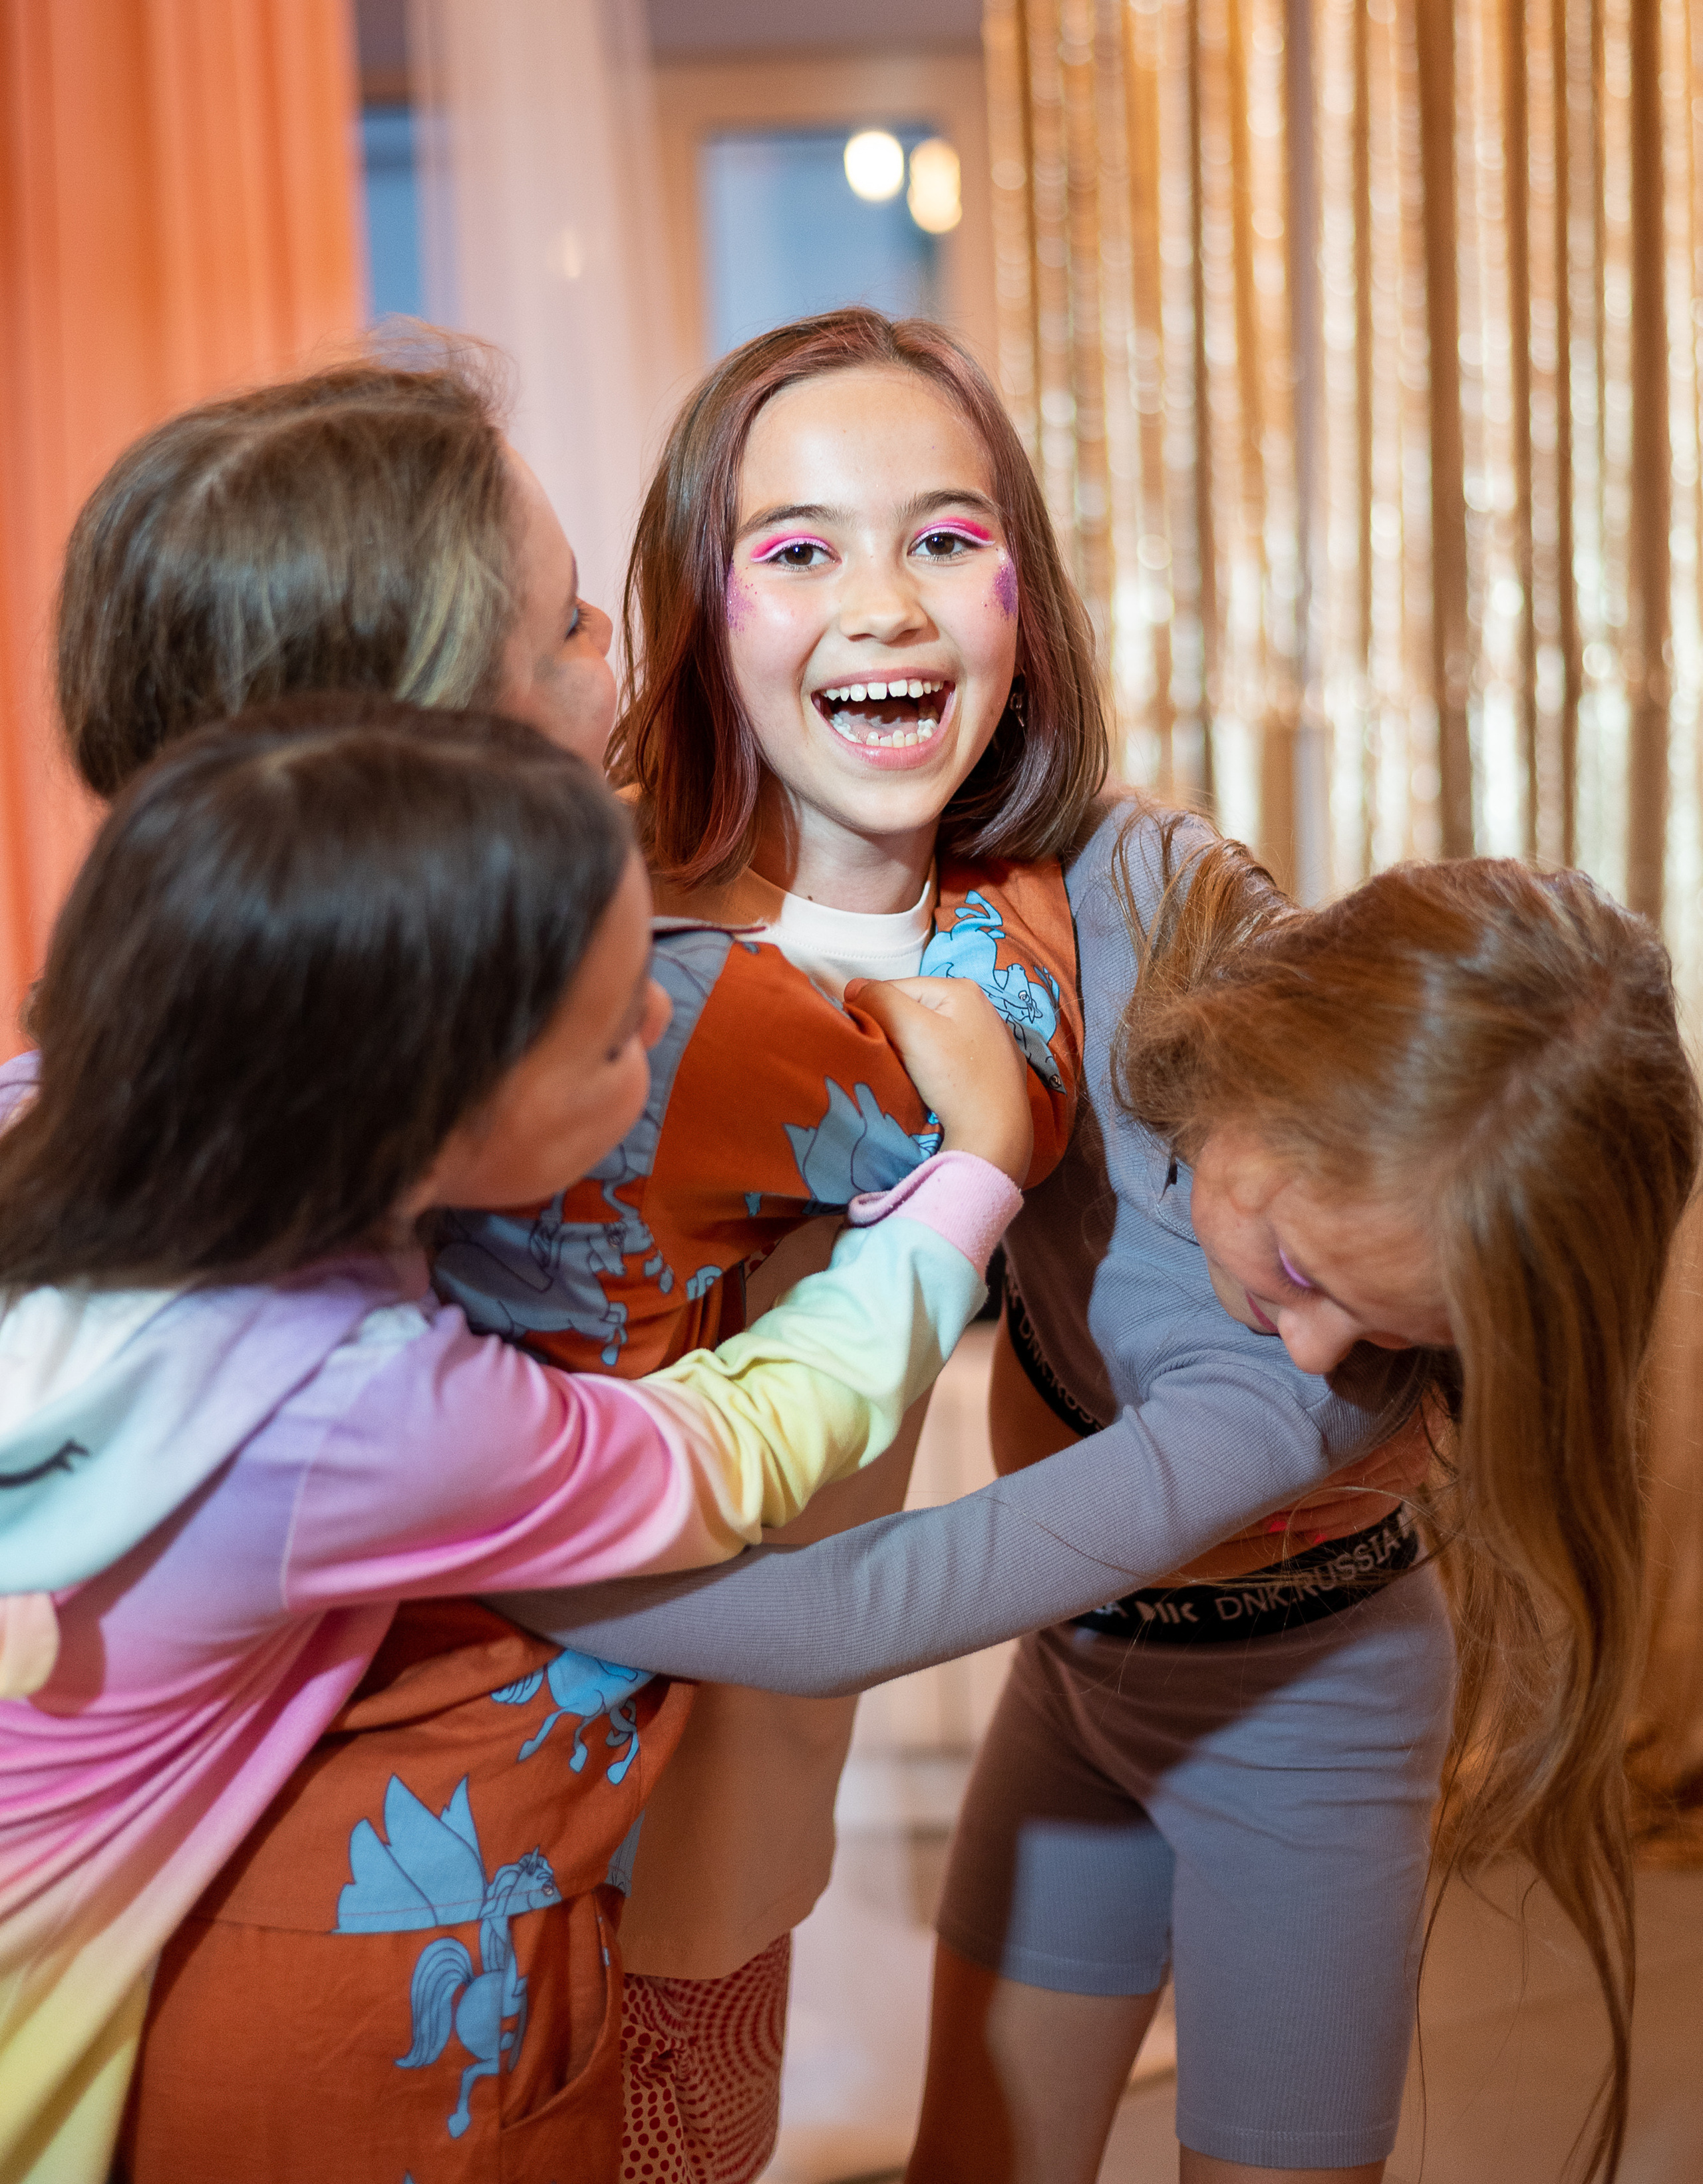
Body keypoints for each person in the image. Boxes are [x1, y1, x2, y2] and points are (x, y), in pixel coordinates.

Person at [49, 324, 1102, 2184]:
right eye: (571, 626)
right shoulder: (681, 1012)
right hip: (489, 1946)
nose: (613, 668)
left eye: (950, 537)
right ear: (426, 749)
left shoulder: (158, 1079)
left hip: (491, 1911)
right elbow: (969, 1083)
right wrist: (1048, 916)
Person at [498, 802, 1699, 2184]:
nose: (1319, 1356)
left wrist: (487, 1548)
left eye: (1395, 1333)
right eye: (1310, 1277)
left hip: (1303, 1739)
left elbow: (853, 1613)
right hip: (1079, 1688)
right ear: (1283, 1051)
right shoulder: (1137, 895)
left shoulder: (1288, 1397)